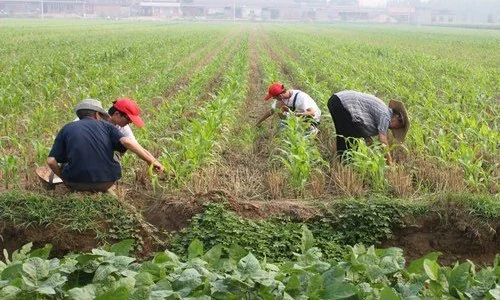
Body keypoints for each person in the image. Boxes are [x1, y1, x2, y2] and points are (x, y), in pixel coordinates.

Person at [47, 99, 164, 193]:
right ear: (97, 115)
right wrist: (152, 161)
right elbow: (127, 143)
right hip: (107, 181)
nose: (129, 123)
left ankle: (73, 183)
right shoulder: (107, 127)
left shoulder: (69, 127)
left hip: (75, 181)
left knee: (65, 158)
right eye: (128, 119)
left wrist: (64, 178)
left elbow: (51, 161)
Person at [327, 90, 409, 165]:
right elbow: (383, 140)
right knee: (350, 138)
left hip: (337, 101)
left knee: (345, 136)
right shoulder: (386, 116)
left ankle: (342, 163)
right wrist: (389, 161)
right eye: (397, 127)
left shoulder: (383, 111)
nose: (394, 129)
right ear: (398, 118)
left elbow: (363, 127)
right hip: (343, 103)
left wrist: (373, 150)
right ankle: (345, 164)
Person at [256, 82, 321, 133]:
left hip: (312, 118)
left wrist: (294, 115)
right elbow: (271, 111)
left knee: (285, 127)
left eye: (274, 97)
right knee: (281, 122)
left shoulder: (300, 97)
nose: (274, 99)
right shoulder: (281, 99)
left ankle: (312, 128)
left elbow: (312, 113)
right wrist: (258, 123)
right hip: (298, 116)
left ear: (280, 95)